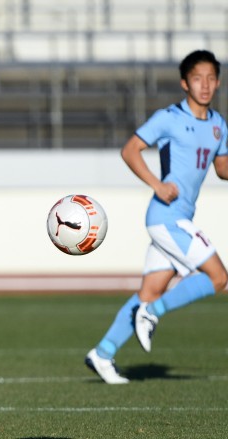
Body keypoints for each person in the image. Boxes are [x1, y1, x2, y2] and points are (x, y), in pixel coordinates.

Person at [85, 49, 228, 384]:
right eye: (197, 78)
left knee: (149, 290)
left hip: (178, 217)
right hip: (166, 216)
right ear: (184, 83)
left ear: (218, 82)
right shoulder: (169, 118)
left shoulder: (218, 125)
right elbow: (130, 149)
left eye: (210, 78)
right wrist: (157, 184)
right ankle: (154, 313)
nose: (204, 85)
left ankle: (103, 353)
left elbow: (222, 169)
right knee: (219, 278)